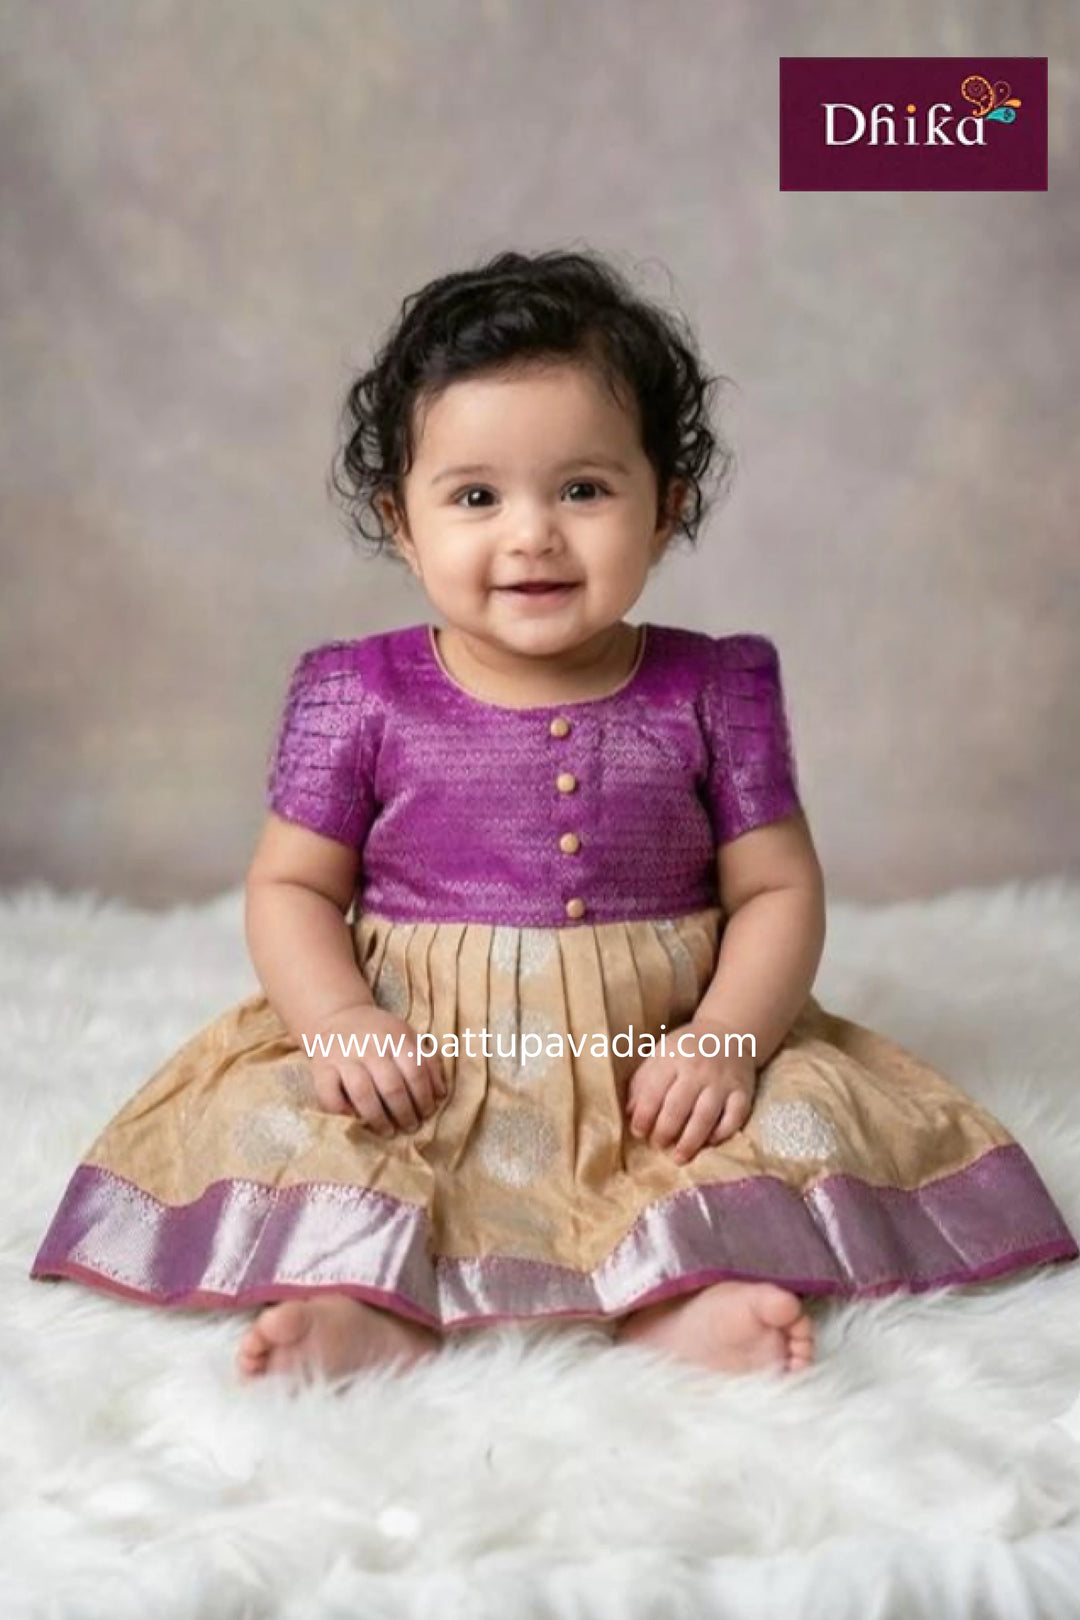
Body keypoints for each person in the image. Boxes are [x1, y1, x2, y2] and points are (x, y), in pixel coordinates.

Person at [30, 247, 1078, 1392]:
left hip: (654, 1044)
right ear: (400, 519)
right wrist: (335, 1019)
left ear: (666, 507)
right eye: (476, 496)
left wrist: (725, 1037)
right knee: (339, 1136)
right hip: (422, 1043)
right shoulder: (357, 692)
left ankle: (684, 1296)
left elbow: (776, 890)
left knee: (741, 1133)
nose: (531, 534)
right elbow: (290, 887)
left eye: (582, 489)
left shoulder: (716, 689)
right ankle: (359, 1302)